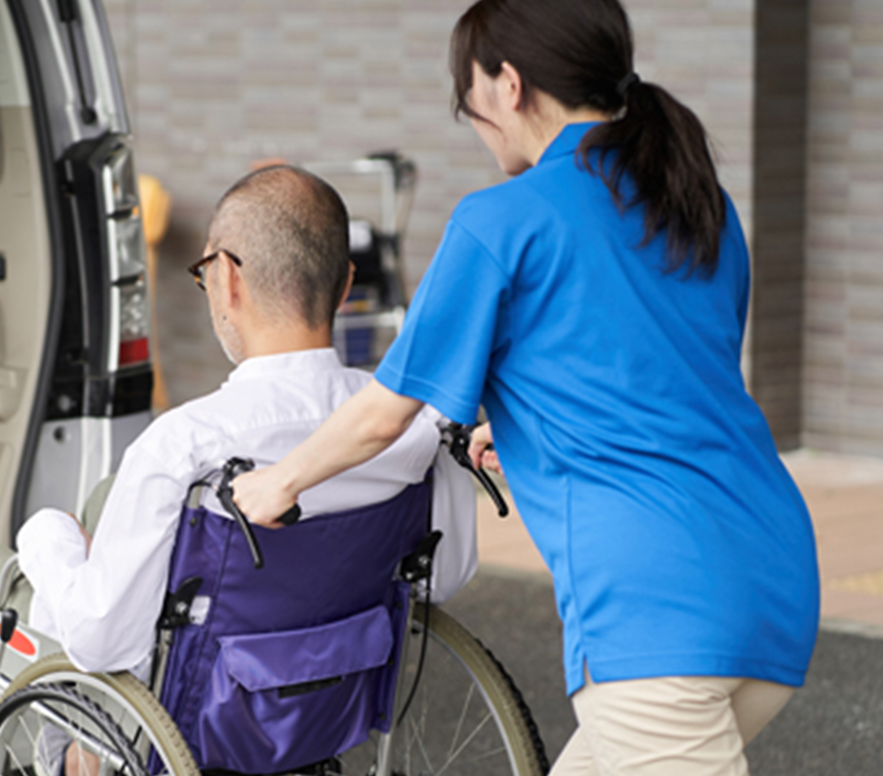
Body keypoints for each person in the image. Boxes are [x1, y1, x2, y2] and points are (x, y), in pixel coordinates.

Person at [229, 2, 819, 775]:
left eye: (465, 98)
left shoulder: (502, 221)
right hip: (773, 572)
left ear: (508, 85)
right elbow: (664, 380)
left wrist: (275, 484)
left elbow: (383, 414)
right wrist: (531, 427)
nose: (472, 121)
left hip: (656, 617)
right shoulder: (696, 204)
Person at [0, 165, 478, 776]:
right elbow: (443, 577)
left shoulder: (188, 443)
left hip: (169, 708)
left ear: (226, 279)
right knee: (110, 499)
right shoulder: (414, 428)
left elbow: (103, 641)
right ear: (345, 285)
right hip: (324, 697)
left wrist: (46, 538)